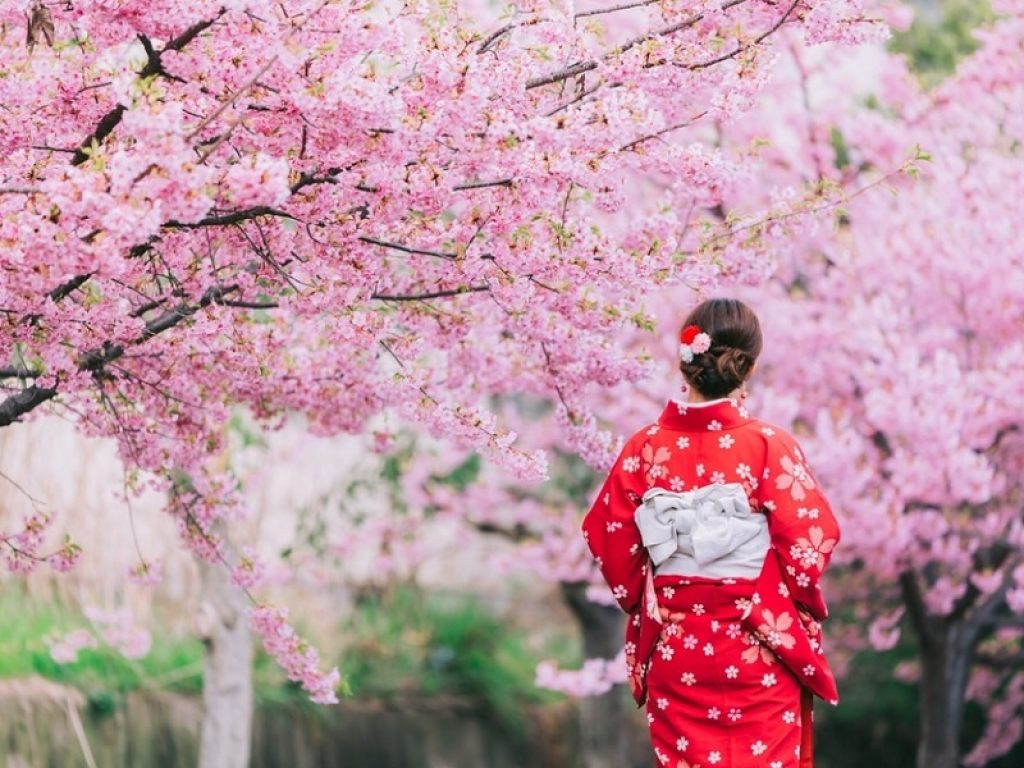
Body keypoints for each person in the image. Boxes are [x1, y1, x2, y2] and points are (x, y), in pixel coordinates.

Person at [581, 297, 841, 768]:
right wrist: (770, 600)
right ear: (750, 365)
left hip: (680, 650)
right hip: (757, 643)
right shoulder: (769, 446)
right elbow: (810, 541)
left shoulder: (644, 448)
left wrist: (658, 594)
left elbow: (609, 536)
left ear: (686, 362)